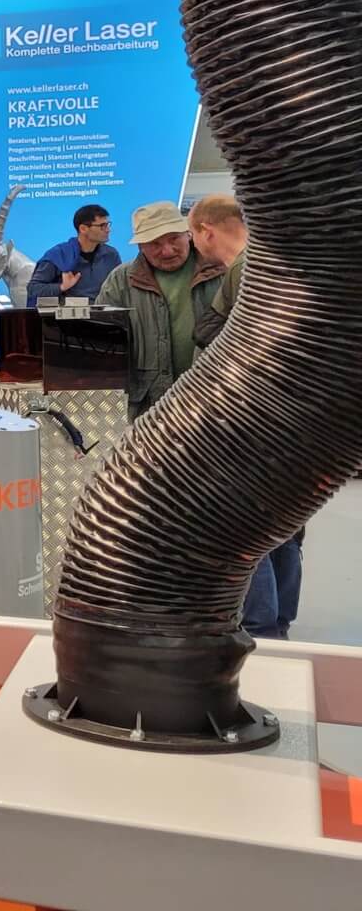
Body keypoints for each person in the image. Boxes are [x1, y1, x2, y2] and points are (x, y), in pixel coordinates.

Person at [179, 194, 295, 636]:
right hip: (287, 421)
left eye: (191, 235)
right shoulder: (269, 263)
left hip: (253, 419)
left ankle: (260, 629)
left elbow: (239, 344)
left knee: (246, 527)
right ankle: (279, 623)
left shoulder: (250, 270)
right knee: (283, 526)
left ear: (205, 231)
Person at [94, 202, 229, 419]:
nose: (166, 251)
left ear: (188, 234)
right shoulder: (120, 281)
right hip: (149, 406)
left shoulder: (222, 270)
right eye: (154, 243)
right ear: (140, 246)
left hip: (216, 400)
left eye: (174, 239)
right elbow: (100, 343)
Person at [27, 204, 122, 305]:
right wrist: (62, 287)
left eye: (108, 225)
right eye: (102, 226)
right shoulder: (58, 255)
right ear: (83, 228)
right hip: (69, 314)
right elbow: (33, 289)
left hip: (105, 313)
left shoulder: (111, 255)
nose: (108, 230)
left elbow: (120, 287)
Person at [190, 194, 249, 349]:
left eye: (192, 234)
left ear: (206, 231)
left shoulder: (243, 269)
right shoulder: (249, 263)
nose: (193, 243)